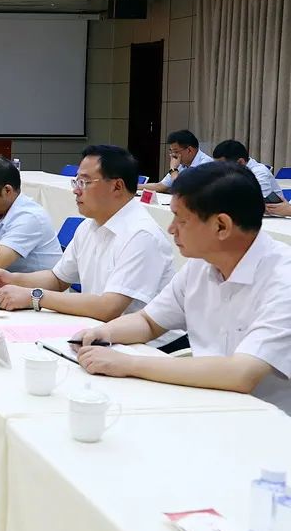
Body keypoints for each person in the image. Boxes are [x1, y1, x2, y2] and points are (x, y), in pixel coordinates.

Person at [74, 162, 291, 415]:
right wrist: (103, 333)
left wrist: (129, 364)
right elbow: (149, 322)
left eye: (181, 219)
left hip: (268, 420)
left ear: (221, 226)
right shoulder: (201, 264)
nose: (171, 228)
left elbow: (241, 374)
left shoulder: (283, 280)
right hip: (204, 402)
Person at [0, 146, 180, 348]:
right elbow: (58, 279)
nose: (76, 190)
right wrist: (12, 279)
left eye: (84, 182)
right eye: (76, 181)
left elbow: (109, 308)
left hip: (150, 347)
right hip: (100, 333)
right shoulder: (89, 226)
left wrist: (35, 297)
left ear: (117, 186)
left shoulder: (141, 234)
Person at [141, 129, 213, 193]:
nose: (172, 155)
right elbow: (161, 186)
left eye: (176, 151)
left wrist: (173, 170)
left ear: (189, 150)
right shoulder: (181, 164)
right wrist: (136, 186)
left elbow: (184, 190)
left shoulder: (206, 164)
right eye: (171, 151)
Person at [212, 139, 283, 201]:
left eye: (222, 165)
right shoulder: (233, 173)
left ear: (240, 162)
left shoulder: (260, 173)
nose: (219, 169)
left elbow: (257, 203)